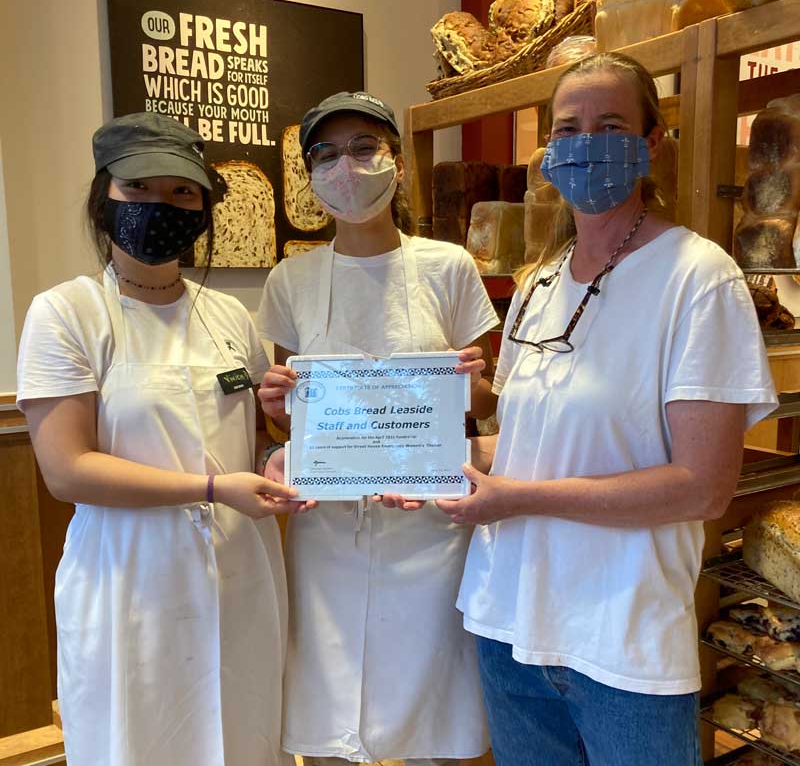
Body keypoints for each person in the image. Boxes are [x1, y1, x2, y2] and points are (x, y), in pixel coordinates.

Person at [431, 53, 779, 765]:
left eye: (611, 124)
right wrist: (428, 458)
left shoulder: (698, 278)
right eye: (569, 129)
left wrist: (518, 497)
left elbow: (704, 486)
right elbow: (527, 446)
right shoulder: (537, 284)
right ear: (549, 152)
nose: (586, 143)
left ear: (652, 142)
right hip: (507, 623)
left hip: (623, 642)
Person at [16, 112, 307, 766]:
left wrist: (282, 438)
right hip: (130, 579)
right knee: (140, 739)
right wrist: (210, 488)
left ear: (203, 207)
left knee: (244, 734)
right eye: (138, 187)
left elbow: (254, 441)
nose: (160, 205)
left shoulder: (230, 316)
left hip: (240, 577)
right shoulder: (67, 314)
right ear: (104, 200)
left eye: (182, 192)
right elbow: (67, 470)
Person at [256, 91, 498, 766]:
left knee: (432, 704)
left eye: (365, 148)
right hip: (329, 526)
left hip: (429, 522)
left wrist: (471, 381)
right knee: (329, 700)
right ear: (310, 173)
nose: (347, 167)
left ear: (396, 161)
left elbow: (484, 398)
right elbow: (287, 414)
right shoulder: (291, 279)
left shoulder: (447, 266)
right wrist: (277, 404)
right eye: (326, 154)